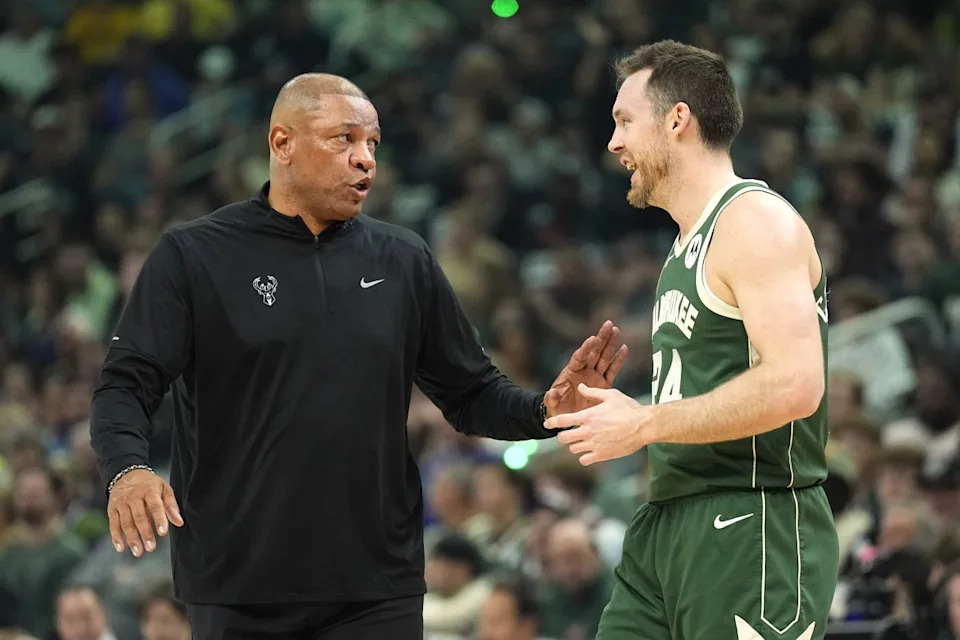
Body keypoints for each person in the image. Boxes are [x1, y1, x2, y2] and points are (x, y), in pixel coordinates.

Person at [89, 73, 628, 640]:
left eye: (372, 144)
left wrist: (545, 408)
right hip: (238, 583)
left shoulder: (403, 258)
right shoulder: (194, 255)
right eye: (343, 139)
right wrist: (128, 468)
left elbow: (471, 394)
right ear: (282, 143)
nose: (364, 159)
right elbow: (124, 384)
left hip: (376, 585)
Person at [544, 41, 838, 639]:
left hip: (753, 517)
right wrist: (602, 410)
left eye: (624, 121)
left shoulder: (754, 220)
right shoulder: (685, 247)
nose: (614, 143)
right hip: (668, 520)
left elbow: (797, 384)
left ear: (678, 119)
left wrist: (646, 423)